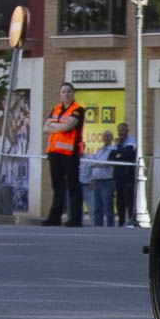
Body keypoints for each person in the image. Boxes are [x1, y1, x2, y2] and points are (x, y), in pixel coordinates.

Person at [42, 82, 85, 227]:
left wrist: (53, 125)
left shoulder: (78, 110)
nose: (66, 94)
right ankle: (54, 217)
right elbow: (44, 128)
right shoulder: (55, 109)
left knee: (73, 185)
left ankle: (75, 218)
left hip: (69, 152)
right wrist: (59, 127)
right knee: (57, 186)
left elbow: (68, 126)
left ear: (73, 93)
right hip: (54, 152)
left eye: (68, 92)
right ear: (60, 94)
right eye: (63, 92)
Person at [111, 122, 137, 227]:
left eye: (122, 130)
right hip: (118, 176)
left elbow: (128, 153)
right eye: (119, 130)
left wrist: (119, 153)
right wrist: (119, 151)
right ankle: (121, 222)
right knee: (119, 200)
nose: (120, 132)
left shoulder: (131, 141)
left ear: (127, 131)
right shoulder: (116, 143)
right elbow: (111, 157)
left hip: (128, 175)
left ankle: (130, 220)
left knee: (129, 200)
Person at [90, 130, 117, 227]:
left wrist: (99, 164)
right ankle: (98, 227)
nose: (106, 138)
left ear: (111, 138)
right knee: (97, 207)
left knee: (108, 206)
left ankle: (110, 227)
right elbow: (93, 164)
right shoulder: (99, 151)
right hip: (97, 181)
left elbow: (108, 163)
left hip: (107, 181)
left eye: (108, 136)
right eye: (105, 136)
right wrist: (92, 179)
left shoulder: (113, 150)